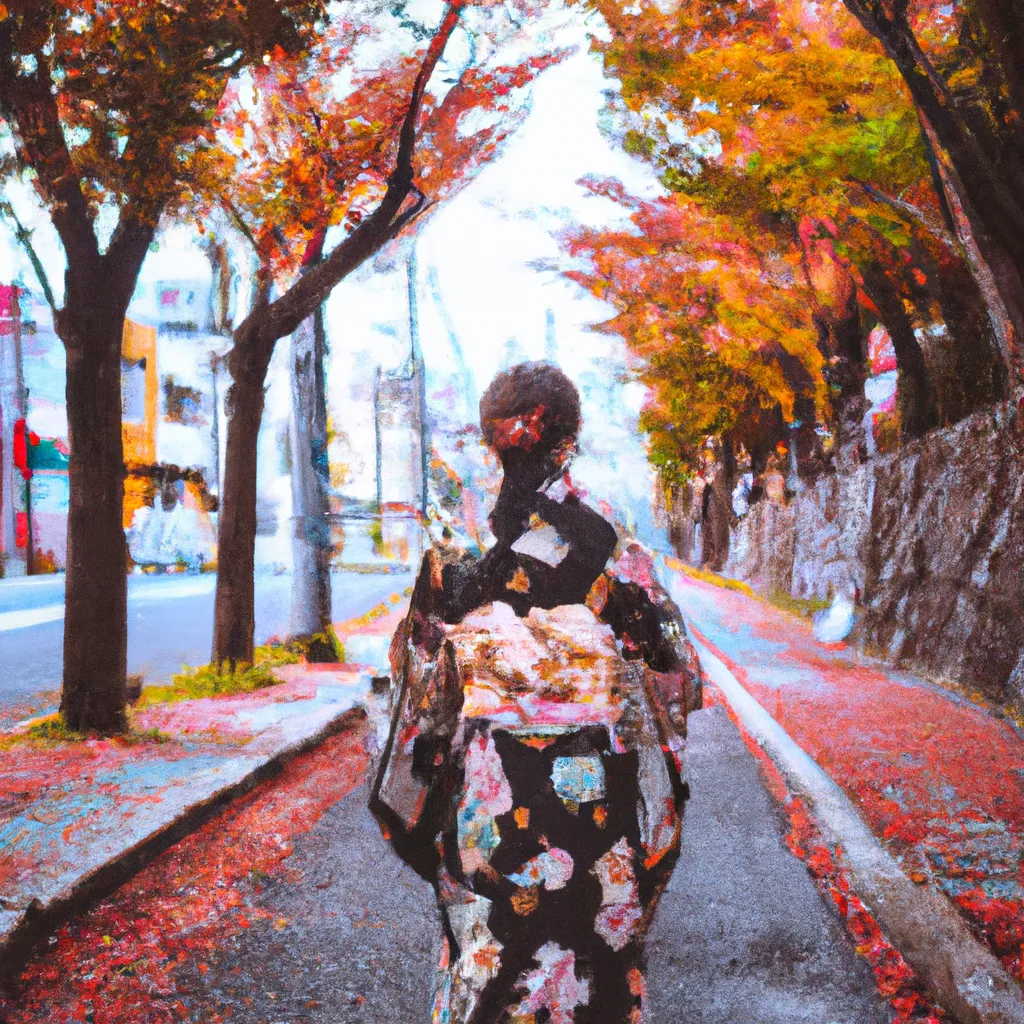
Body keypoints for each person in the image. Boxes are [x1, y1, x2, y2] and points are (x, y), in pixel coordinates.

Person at [371, 362, 702, 1024]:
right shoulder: (613, 542)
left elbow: (412, 702)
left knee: (486, 964)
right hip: (594, 804)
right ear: (569, 439)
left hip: (486, 804)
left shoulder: (455, 549)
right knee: (596, 970)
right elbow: (679, 678)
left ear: (493, 442)